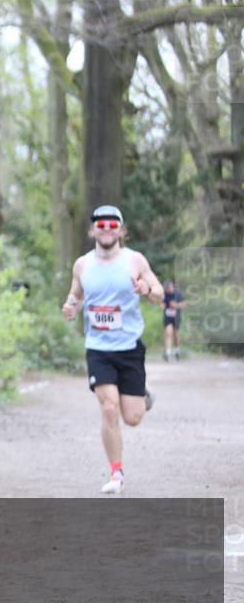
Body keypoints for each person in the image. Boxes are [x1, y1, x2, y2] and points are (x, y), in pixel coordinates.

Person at [61, 205, 164, 494]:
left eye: (112, 224)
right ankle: (116, 474)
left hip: (129, 347)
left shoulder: (135, 261)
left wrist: (145, 289)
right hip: (98, 348)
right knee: (109, 408)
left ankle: (141, 396)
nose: (106, 229)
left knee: (132, 417)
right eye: (100, 225)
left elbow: (159, 293)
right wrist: (71, 305)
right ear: (92, 230)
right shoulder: (82, 265)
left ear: (121, 229)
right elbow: (76, 293)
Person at [162, 280, 186, 362]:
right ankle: (168, 353)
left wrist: (176, 305)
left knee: (176, 334)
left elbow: (184, 305)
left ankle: (177, 351)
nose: (168, 290)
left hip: (176, 317)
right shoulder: (164, 294)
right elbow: (161, 302)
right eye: (166, 289)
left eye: (169, 288)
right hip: (167, 316)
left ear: (172, 286)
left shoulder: (178, 294)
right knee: (169, 333)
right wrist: (162, 305)